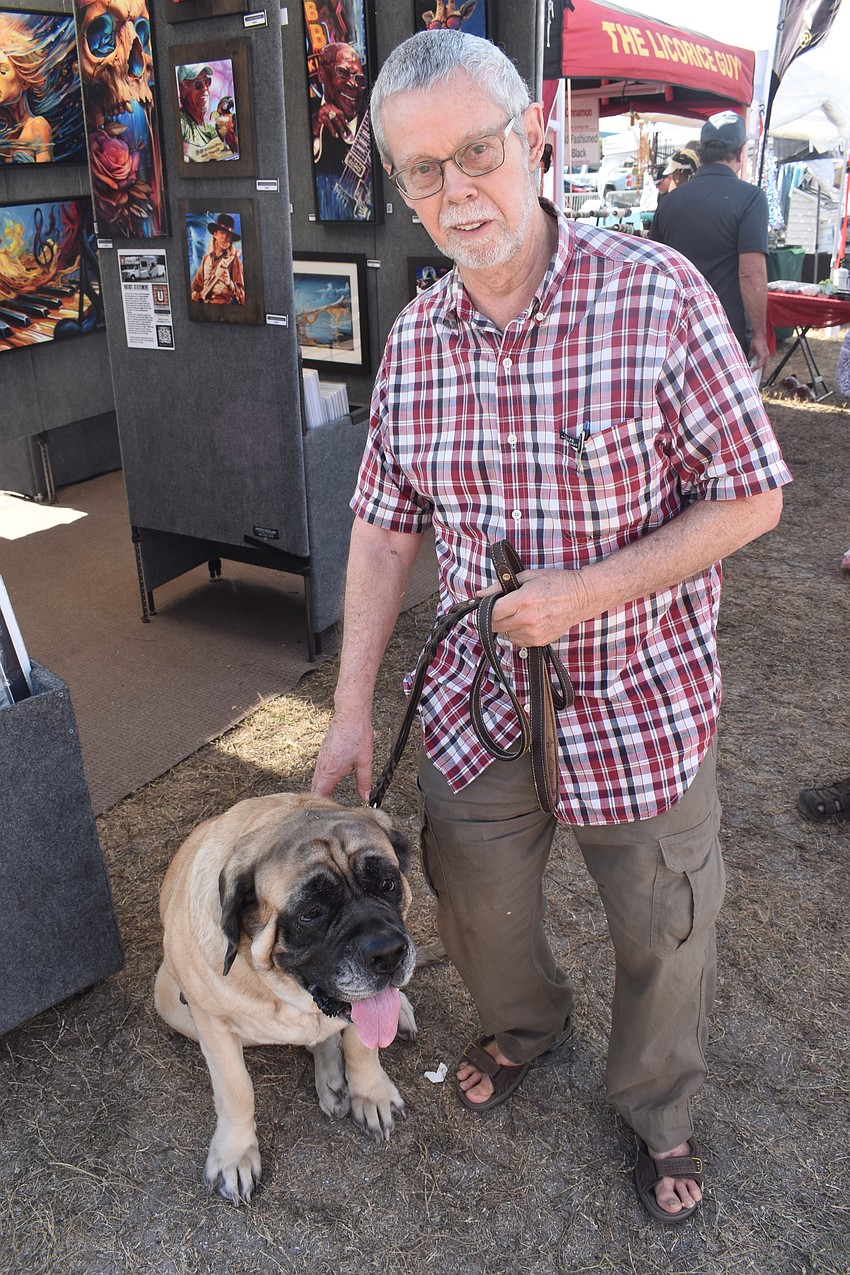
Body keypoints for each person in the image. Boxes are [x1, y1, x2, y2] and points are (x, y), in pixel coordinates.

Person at [311, 30, 790, 1224]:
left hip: (640, 696)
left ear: (534, 133)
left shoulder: (659, 297)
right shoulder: (418, 339)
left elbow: (755, 493)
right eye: (421, 172)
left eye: (475, 150)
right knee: (472, 905)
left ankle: (659, 1109)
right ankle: (524, 1027)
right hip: (478, 708)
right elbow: (382, 528)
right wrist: (351, 704)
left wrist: (584, 593)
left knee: (663, 927)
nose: (455, 191)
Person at [650, 111, 770, 378]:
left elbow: (651, 274)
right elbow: (751, 274)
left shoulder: (669, 202)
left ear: (701, 152)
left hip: (674, 331)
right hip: (724, 331)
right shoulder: (751, 199)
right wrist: (760, 336)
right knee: (724, 415)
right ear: (740, 152)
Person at [0, 15, 52, 163]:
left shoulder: (38, 126)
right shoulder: (4, 131)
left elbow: (48, 174)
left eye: (3, 71)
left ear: (23, 81)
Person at [177, 64, 232, 164]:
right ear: (183, 89)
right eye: (198, 84)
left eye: (207, 82)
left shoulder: (212, 130)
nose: (205, 88)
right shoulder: (180, 122)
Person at [190, 214, 244, 306]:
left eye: (228, 235)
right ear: (215, 234)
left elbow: (242, 298)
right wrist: (194, 294)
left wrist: (229, 283)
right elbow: (195, 287)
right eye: (222, 233)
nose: (225, 238)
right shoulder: (206, 259)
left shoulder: (234, 261)